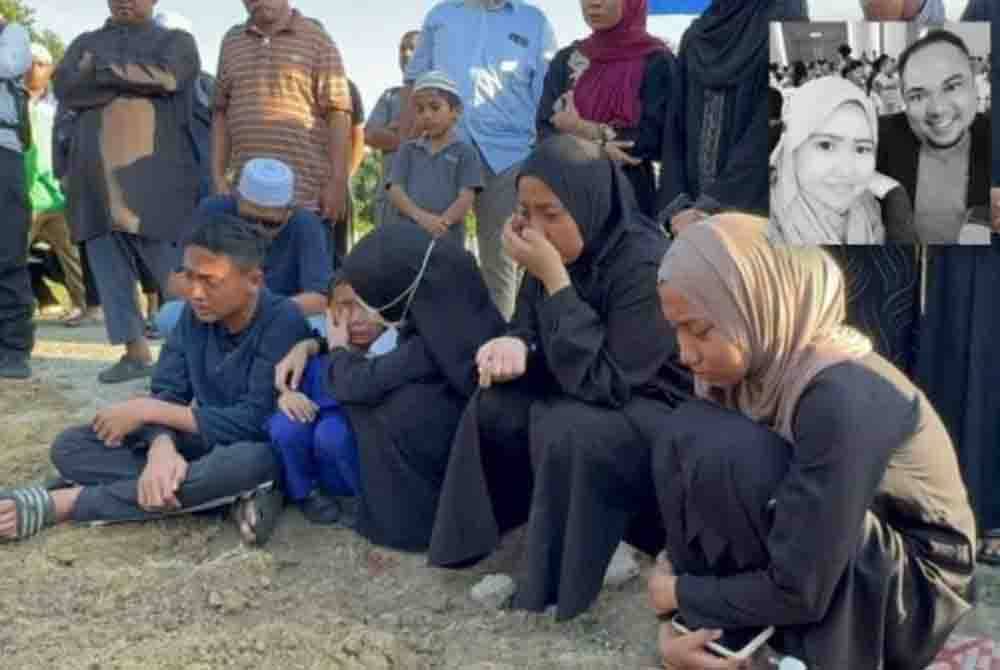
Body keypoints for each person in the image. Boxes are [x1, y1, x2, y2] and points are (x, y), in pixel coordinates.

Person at [649, 215, 976, 670]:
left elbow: (802, 585)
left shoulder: (841, 395)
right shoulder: (756, 370)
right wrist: (682, 605)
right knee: (690, 431)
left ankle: (793, 652)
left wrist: (680, 592)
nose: (685, 354)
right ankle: (723, 638)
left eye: (701, 331)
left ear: (760, 302)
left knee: (735, 455)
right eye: (677, 330)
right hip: (826, 549)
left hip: (910, 595)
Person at [428, 136, 692, 620]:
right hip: (582, 382)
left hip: (647, 404)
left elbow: (610, 382)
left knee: (567, 427)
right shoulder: (550, 247)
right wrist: (515, 342)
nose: (536, 226)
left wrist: (555, 280)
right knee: (495, 404)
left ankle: (600, 550)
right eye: (527, 210)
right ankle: (502, 536)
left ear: (591, 202)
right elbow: (529, 323)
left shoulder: (645, 262)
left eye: (552, 212)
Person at [0, 214, 313, 546]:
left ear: (253, 281)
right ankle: (223, 497)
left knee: (251, 463)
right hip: (200, 443)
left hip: (250, 446)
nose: (195, 292)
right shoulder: (196, 316)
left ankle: (66, 503)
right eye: (189, 277)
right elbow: (168, 392)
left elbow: (255, 421)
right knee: (71, 447)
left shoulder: (282, 321)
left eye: (210, 281)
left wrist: (151, 412)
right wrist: (161, 449)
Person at [274, 222, 505, 551]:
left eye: (369, 298)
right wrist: (311, 346)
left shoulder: (433, 342)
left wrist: (337, 349)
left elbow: (358, 383)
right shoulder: (442, 309)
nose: (365, 311)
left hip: (442, 501)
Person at [53, 0, 201, 383]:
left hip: (152, 178)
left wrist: (100, 73)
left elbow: (169, 77)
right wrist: (131, 82)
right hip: (93, 179)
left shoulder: (176, 41)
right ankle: (134, 353)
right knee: (108, 266)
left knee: (174, 273)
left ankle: (196, 354)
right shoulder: (84, 40)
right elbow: (66, 88)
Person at [402, 0, 558, 320]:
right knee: (434, 251)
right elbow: (414, 82)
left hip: (509, 157)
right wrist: (411, 148)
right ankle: (433, 343)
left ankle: (500, 354)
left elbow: (547, 97)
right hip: (443, 151)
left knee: (501, 258)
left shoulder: (535, 21)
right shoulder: (441, 16)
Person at [267, 277, 398, 525]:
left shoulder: (393, 353)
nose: (358, 318)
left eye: (368, 306)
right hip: (316, 452)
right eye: (346, 306)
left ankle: (356, 498)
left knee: (331, 432)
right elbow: (288, 387)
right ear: (329, 313)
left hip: (357, 454)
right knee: (286, 426)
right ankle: (306, 493)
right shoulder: (314, 355)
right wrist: (288, 396)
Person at [212, 0, 351, 228]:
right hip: (243, 198)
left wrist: (337, 182)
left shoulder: (318, 39)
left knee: (305, 261)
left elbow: (339, 113)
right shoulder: (231, 42)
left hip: (305, 199)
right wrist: (218, 177)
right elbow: (220, 112)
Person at [156, 158, 333, 337]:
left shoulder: (306, 224)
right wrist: (226, 303)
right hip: (220, 312)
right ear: (236, 199)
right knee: (168, 316)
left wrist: (254, 310)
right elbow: (175, 283)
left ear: (289, 212)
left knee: (319, 327)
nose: (258, 230)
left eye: (270, 223)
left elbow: (319, 299)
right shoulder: (213, 210)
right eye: (248, 219)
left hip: (277, 316)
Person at [536, 0, 679, 217]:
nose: (593, 4)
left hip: (629, 199)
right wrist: (599, 146)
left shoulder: (656, 61)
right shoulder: (566, 60)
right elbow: (546, 128)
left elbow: (653, 138)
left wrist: (585, 129)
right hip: (567, 197)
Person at [657, 0, 770, 235]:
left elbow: (765, 135)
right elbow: (675, 125)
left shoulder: (779, 23)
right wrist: (678, 205)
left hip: (756, 216)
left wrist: (712, 205)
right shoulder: (697, 36)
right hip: (688, 217)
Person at [769, 76, 915, 244]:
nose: (847, 170)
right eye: (826, 145)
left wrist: (896, 196)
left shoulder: (868, 206)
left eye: (861, 148)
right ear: (793, 147)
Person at [877, 30, 991, 244]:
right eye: (918, 95)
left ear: (975, 87)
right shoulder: (882, 136)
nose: (937, 109)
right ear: (904, 101)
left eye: (952, 86)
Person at [24, 43, 88, 324]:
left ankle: (85, 306)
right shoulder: (11, 100)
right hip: (24, 196)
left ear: (50, 69)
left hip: (58, 195)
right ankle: (17, 310)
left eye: (39, 63)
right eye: (28, 63)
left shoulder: (60, 104)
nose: (32, 69)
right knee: (12, 257)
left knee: (73, 256)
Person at [387, 71, 483, 246]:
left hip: (447, 239)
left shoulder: (465, 153)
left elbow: (466, 198)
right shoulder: (408, 150)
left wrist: (441, 223)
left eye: (435, 107)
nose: (427, 115)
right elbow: (395, 191)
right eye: (420, 109)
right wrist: (422, 218)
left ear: (456, 111)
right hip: (408, 237)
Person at [0, 17, 33, 380]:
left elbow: (9, 64)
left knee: (7, 251)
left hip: (2, 151)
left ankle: (13, 347)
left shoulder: (12, 32)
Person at [365, 30, 421, 228]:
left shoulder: (444, 97)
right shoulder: (390, 97)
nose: (406, 54)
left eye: (413, 48)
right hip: (390, 200)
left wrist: (392, 132)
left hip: (430, 202)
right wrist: (410, 137)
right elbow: (370, 134)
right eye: (402, 49)